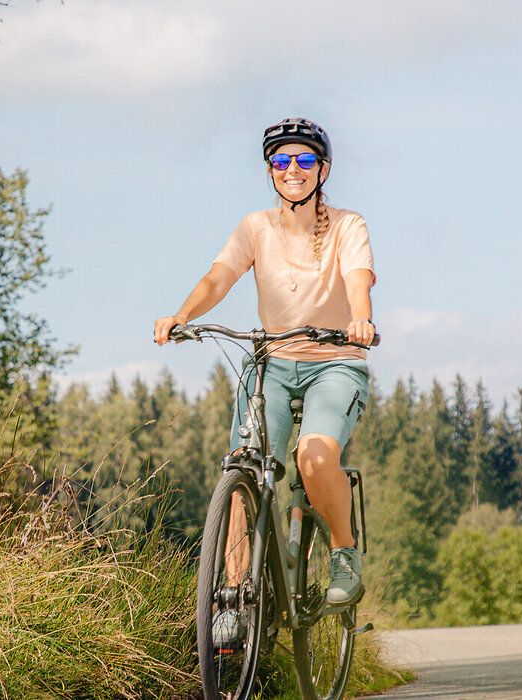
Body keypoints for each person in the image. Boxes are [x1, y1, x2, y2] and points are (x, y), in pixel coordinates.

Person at [154, 117, 378, 619]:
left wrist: (360, 318)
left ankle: (344, 556)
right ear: (270, 170)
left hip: (334, 362)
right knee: (245, 469)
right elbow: (220, 276)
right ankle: (234, 598)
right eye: (281, 161)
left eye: (303, 160)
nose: (291, 169)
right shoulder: (256, 227)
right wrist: (182, 315)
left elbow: (357, 277)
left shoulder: (347, 225)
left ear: (323, 169)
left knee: (316, 459)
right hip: (272, 364)